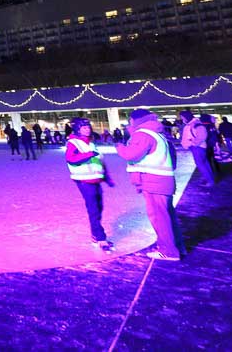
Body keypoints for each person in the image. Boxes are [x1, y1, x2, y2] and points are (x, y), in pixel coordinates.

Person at [116, 109, 186, 261]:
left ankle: (168, 251)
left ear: (135, 121)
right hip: (163, 180)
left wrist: (120, 147)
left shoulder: (143, 134)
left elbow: (131, 154)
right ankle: (177, 246)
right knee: (167, 216)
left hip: (154, 181)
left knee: (160, 218)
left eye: (130, 121)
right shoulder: (157, 133)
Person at [65, 118, 114, 253]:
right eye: (84, 127)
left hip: (96, 180)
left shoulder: (91, 143)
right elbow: (71, 159)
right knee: (93, 209)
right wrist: (88, 155)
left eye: (88, 127)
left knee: (98, 208)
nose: (87, 129)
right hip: (84, 180)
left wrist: (107, 177)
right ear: (77, 129)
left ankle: (95, 234)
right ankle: (100, 238)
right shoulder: (73, 143)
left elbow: (99, 161)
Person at [179, 111, 215, 186]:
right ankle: (208, 178)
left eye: (182, 117)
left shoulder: (196, 124)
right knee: (204, 163)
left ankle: (210, 180)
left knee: (201, 164)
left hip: (198, 147)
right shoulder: (193, 124)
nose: (182, 119)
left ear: (186, 117)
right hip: (197, 147)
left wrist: (194, 143)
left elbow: (202, 135)